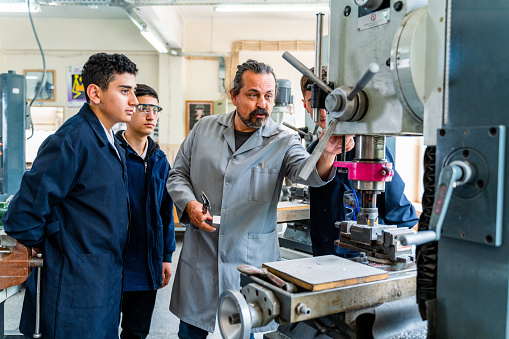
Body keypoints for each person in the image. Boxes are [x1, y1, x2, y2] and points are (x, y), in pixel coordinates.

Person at [167, 59, 348, 338]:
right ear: (234, 96)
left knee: (244, 331)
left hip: (249, 260)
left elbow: (307, 174)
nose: (262, 103)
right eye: (253, 95)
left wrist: (327, 153)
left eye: (268, 96)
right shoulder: (204, 129)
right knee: (191, 332)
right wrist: (189, 204)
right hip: (201, 254)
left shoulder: (283, 140)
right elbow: (177, 175)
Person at [2, 53, 138, 338]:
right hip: (74, 287)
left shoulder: (109, 140)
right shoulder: (72, 141)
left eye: (133, 91)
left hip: (103, 280)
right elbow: (23, 215)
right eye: (125, 91)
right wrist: (57, 247)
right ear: (94, 93)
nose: (134, 101)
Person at [300, 67, 419, 258]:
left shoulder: (367, 150)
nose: (323, 111)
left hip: (360, 257)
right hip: (323, 254)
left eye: (330, 101)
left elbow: (401, 214)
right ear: (305, 106)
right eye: (315, 103)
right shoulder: (313, 150)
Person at [115, 84, 176, 339]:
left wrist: (166, 256)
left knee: (137, 332)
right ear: (129, 110)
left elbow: (165, 212)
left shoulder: (160, 160)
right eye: (143, 108)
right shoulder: (111, 152)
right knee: (101, 330)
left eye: (155, 109)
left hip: (146, 264)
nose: (151, 115)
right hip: (112, 263)